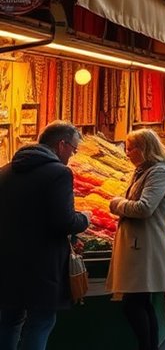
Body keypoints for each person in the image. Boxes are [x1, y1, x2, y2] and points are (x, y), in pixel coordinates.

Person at [0, 121, 90, 350]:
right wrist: (84, 218)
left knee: (9, 321)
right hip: (42, 266)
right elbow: (64, 221)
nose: (72, 155)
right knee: (40, 323)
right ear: (61, 145)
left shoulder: (5, 171)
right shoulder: (59, 173)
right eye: (73, 149)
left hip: (7, 262)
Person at [107, 129, 165, 350]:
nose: (127, 153)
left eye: (130, 149)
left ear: (144, 149)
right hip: (137, 244)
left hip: (144, 245)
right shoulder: (143, 171)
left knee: (133, 303)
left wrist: (117, 203)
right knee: (140, 301)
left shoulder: (158, 173)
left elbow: (145, 208)